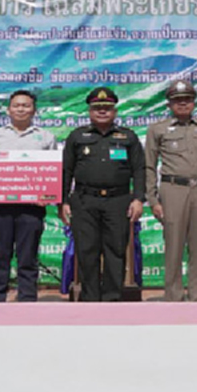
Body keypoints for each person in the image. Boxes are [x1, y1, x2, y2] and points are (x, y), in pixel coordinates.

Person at [61, 87, 145, 302]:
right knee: (87, 251)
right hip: (84, 200)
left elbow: (139, 169)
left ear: (115, 112)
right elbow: (66, 171)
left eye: (107, 108)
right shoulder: (78, 136)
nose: (102, 112)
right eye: (97, 108)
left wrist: (138, 199)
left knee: (115, 251)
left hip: (118, 201)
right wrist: (63, 202)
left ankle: (112, 298)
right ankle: (90, 299)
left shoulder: (127, 137)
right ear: (89, 111)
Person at [145, 79, 197, 302]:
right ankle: (173, 296)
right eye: (177, 100)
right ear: (169, 104)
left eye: (187, 100)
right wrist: (153, 199)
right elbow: (149, 166)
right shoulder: (157, 129)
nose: (182, 104)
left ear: (194, 103)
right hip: (172, 189)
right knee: (173, 246)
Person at [0, 90, 56, 302]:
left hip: (32, 207)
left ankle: (27, 300)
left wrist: (48, 195)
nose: (21, 109)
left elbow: (52, 173)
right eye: (16, 105)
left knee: (28, 257)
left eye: (26, 105)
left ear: (34, 110)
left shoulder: (46, 137)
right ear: (8, 109)